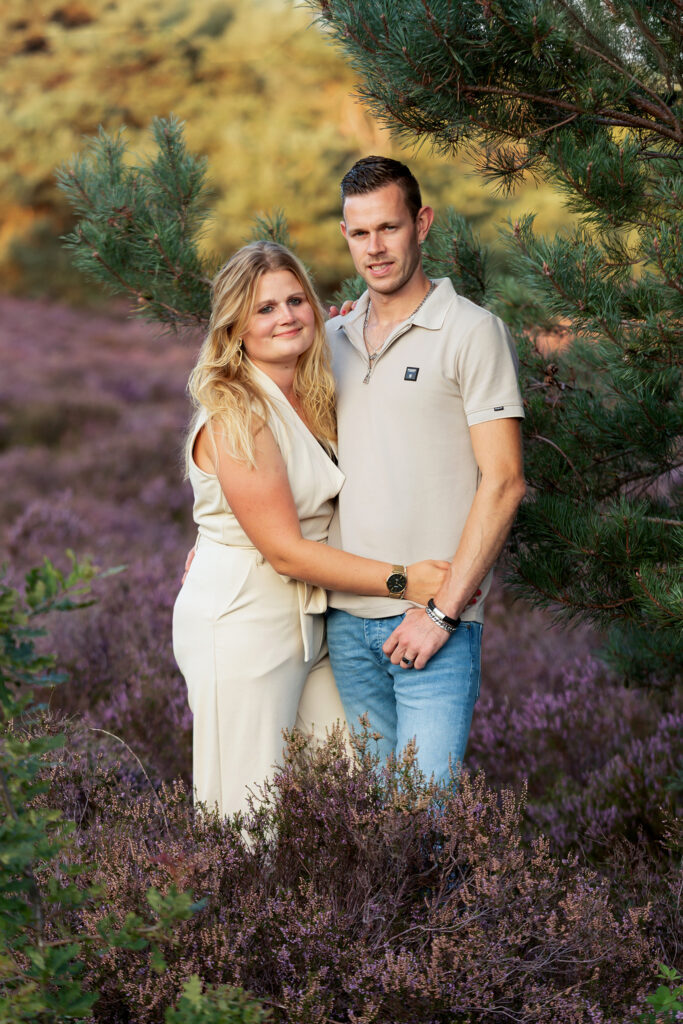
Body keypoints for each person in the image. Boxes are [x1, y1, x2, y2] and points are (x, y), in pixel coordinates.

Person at [172, 240, 448, 818]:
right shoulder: (237, 412)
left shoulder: (313, 387)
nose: (287, 316)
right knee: (245, 814)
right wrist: (407, 582)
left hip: (312, 620)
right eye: (265, 308)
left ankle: (337, 910)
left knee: (352, 774)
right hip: (244, 620)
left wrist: (347, 327)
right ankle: (234, 910)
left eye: (296, 300)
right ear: (234, 327)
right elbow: (287, 553)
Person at [325, 155, 526, 785]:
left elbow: (505, 480)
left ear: (423, 223)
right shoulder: (330, 340)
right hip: (343, 627)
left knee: (426, 827)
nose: (375, 248)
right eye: (361, 233)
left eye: (389, 228)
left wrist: (442, 613)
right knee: (370, 836)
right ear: (345, 236)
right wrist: (214, 536)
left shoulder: (472, 332)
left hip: (435, 624)